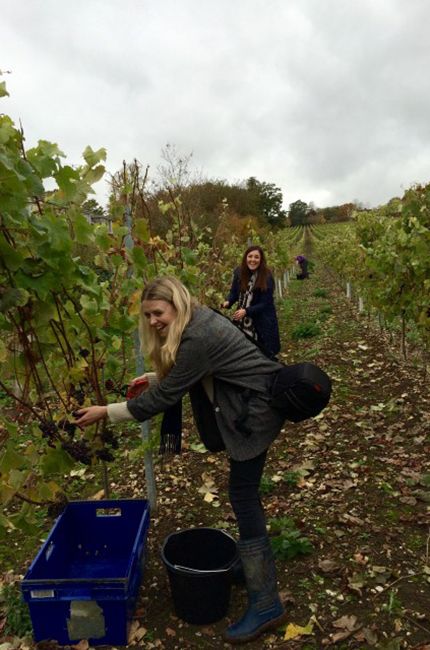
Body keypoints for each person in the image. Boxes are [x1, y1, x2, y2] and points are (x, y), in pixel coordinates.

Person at [74, 276, 288, 644]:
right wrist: (153, 377)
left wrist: (104, 412)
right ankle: (248, 571)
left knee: (243, 495)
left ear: (176, 304)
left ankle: (266, 601)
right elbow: (190, 374)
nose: (154, 321)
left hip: (255, 412)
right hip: (250, 403)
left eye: (158, 312)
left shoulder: (198, 336)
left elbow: (166, 396)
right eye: (148, 315)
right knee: (243, 493)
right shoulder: (197, 321)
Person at [222, 245, 281, 358]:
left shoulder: (266, 276)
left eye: (256, 257)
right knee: (243, 350)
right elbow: (234, 292)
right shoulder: (239, 272)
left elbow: (265, 303)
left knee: (264, 351)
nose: (253, 260)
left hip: (263, 320)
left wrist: (247, 311)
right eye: (250, 256)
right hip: (242, 319)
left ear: (261, 260)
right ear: (245, 258)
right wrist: (228, 302)